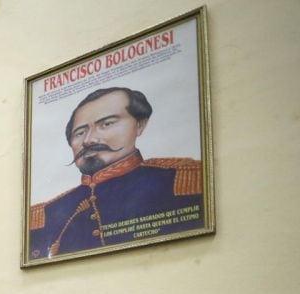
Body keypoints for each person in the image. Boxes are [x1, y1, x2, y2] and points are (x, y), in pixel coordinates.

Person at [28, 86, 204, 259]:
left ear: (140, 125)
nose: (89, 140)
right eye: (80, 133)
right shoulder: (45, 214)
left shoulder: (184, 180)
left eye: (106, 124)